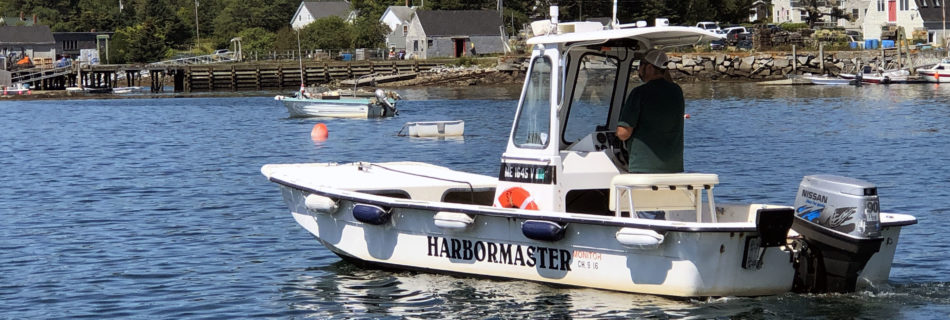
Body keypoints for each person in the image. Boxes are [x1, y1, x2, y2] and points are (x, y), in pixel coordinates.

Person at [615, 49, 684, 174]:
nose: (638, 69)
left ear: (650, 68)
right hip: (673, 168)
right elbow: (668, 83)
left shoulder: (639, 93)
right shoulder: (677, 92)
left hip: (643, 167)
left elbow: (623, 133)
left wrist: (616, 134)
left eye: (641, 64)